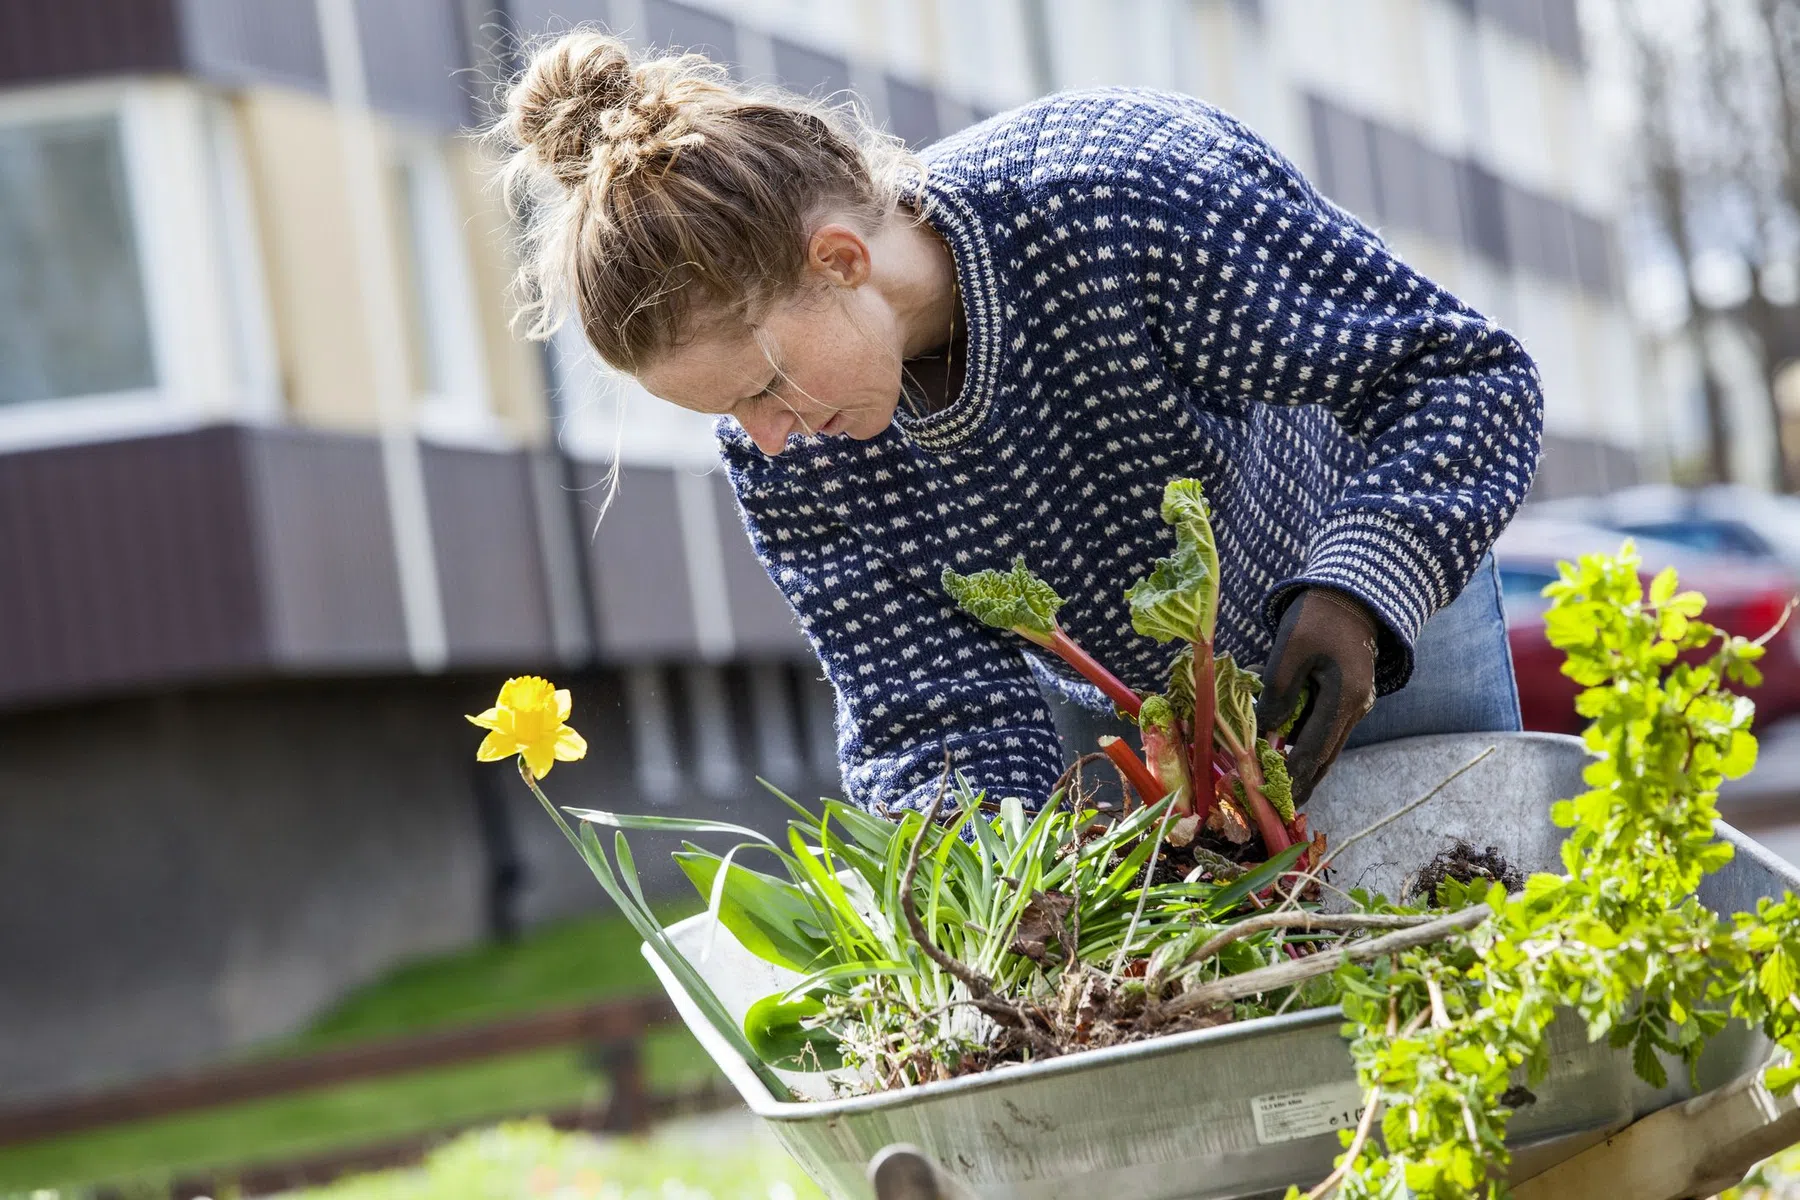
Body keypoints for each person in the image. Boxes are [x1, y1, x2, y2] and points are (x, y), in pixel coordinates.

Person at [491, 31, 1541, 816]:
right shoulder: (796, 464)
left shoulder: (1125, 196)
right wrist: (1012, 874)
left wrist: (1359, 591)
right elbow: (928, 713)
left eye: (762, 387)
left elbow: (1460, 377)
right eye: (728, 414)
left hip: (1377, 585)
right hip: (1136, 707)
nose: (767, 439)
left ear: (840, 262)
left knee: (1465, 934)